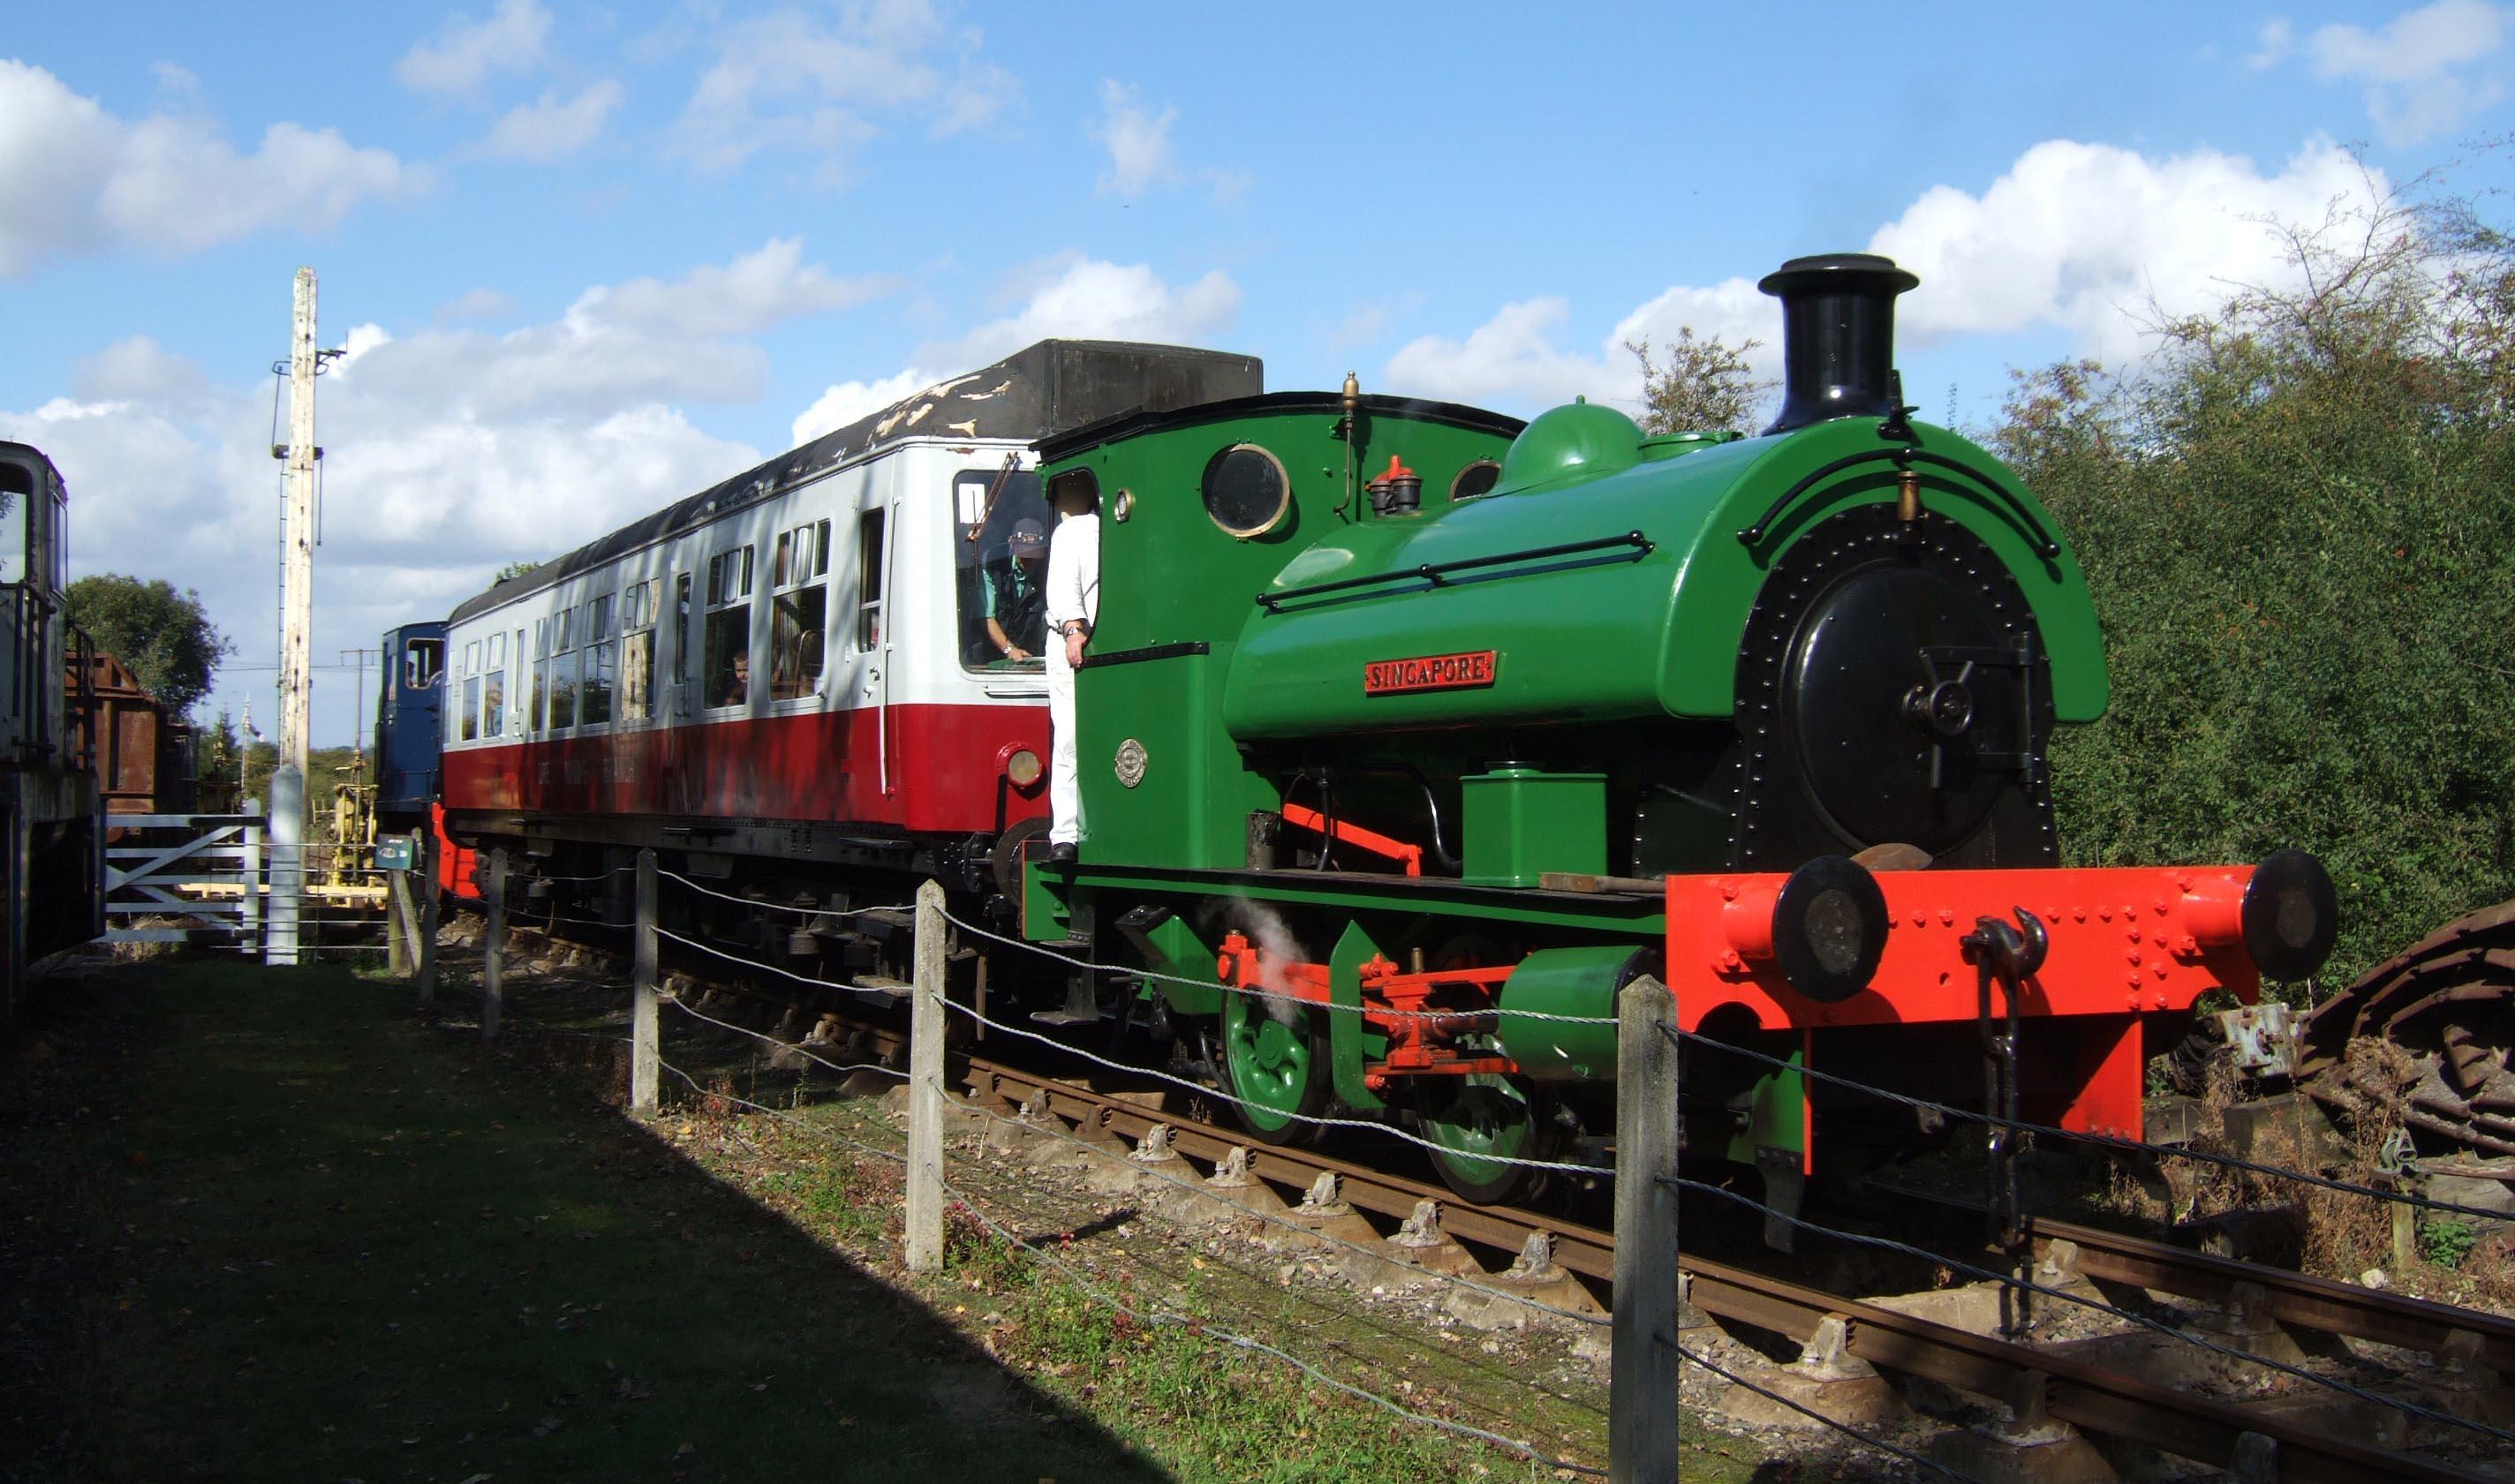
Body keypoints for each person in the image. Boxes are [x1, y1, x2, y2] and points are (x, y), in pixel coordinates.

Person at [1041, 478, 1099, 863]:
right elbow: (1065, 587)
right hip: (1071, 641)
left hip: (1108, 639)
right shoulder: (1073, 531)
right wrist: (1074, 630)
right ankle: (1066, 833)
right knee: (1070, 736)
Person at [983, 518, 1049, 662]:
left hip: (1033, 655)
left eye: (1033, 555)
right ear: (1012, 544)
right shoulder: (993, 566)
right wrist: (1009, 648)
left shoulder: (1049, 570)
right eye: (1024, 554)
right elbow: (988, 617)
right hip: (992, 656)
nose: (1028, 560)